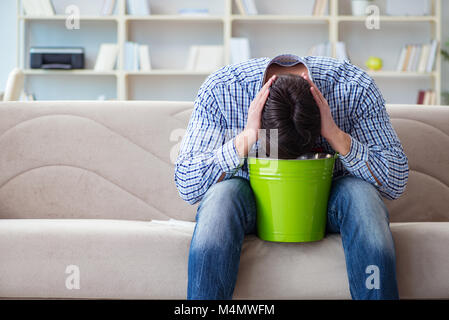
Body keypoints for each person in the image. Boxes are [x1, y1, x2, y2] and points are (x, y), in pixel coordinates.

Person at [174, 54, 409, 300]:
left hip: (326, 202)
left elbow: (395, 181)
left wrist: (335, 136)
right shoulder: (222, 89)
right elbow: (187, 185)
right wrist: (246, 138)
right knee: (220, 198)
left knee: (362, 197)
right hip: (251, 202)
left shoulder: (354, 87)